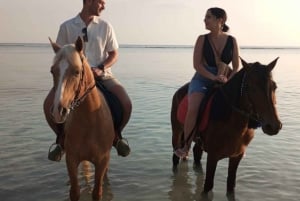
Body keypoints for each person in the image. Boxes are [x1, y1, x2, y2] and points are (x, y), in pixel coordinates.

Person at [44, 0, 132, 161]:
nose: (104, 6)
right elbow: (60, 56)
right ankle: (61, 140)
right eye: (101, 2)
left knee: (126, 103)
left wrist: (101, 68)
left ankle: (116, 136)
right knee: (48, 104)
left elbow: (114, 54)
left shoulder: (106, 26)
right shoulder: (67, 26)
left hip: (102, 75)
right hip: (73, 77)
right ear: (89, 1)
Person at [174, 7, 240, 158]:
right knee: (194, 106)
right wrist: (213, 77)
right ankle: (186, 146)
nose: (205, 20)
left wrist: (228, 80)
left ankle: (238, 142)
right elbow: (197, 65)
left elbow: (236, 66)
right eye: (205, 17)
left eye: (208, 17)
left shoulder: (232, 40)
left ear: (220, 20)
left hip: (225, 78)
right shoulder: (202, 39)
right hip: (203, 78)